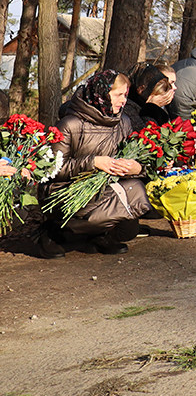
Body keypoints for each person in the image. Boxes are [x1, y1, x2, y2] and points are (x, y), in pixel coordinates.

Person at [38, 71, 150, 259]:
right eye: (118, 95)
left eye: (125, 95)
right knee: (122, 203)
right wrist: (93, 162)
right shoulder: (70, 124)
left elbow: (135, 157)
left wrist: (137, 168)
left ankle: (99, 237)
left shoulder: (123, 122)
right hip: (64, 190)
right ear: (102, 94)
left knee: (133, 208)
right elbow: (51, 170)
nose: (123, 101)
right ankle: (52, 231)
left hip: (104, 188)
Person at [126, 63, 176, 130]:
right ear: (142, 89)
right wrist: (152, 106)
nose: (174, 87)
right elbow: (143, 132)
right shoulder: (129, 107)